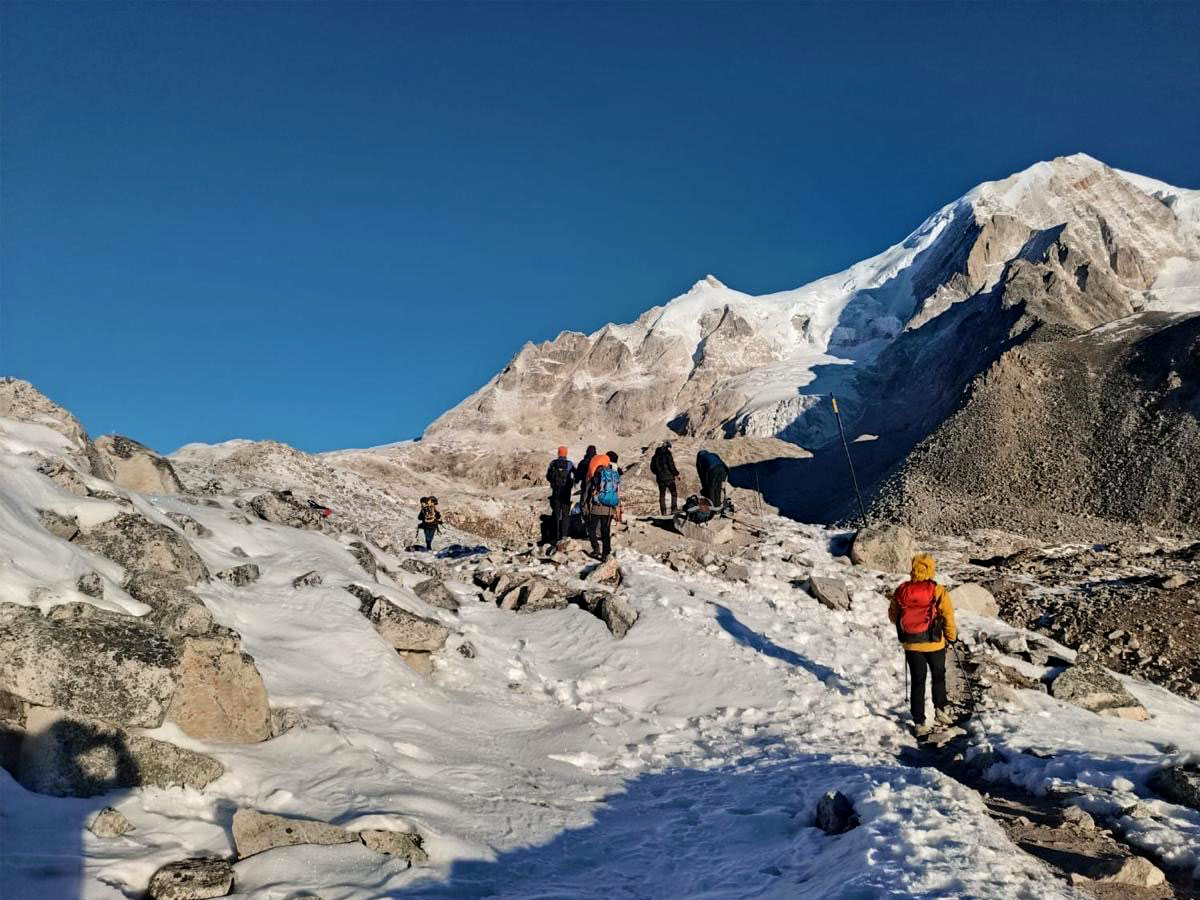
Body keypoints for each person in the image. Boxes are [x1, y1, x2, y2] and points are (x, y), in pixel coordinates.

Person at [888, 554, 958, 737]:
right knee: (938, 675)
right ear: (931, 569)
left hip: (912, 644)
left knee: (918, 681)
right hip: (934, 642)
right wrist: (951, 636)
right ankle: (941, 710)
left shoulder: (902, 590)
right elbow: (948, 615)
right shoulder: (937, 589)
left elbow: (893, 616)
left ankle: (919, 722)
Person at [587, 451, 620, 561]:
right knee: (606, 530)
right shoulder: (614, 473)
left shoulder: (598, 472)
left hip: (598, 505)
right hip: (610, 506)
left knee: (591, 528)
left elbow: (593, 486)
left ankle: (596, 549)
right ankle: (606, 553)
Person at [546, 446, 575, 549]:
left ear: (558, 453)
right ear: (566, 454)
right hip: (566, 493)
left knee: (556, 513)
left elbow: (548, 476)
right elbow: (574, 475)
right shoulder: (570, 464)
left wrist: (554, 483)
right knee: (566, 514)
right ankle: (564, 535)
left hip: (556, 492)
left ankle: (555, 536)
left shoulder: (553, 463)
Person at [650, 441, 680, 515]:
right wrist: (676, 474)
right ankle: (674, 509)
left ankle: (663, 512)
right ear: (667, 447)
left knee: (662, 495)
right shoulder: (668, 454)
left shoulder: (655, 456)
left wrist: (658, 474)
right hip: (669, 478)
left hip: (660, 479)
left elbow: (652, 468)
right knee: (674, 493)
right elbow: (671, 466)